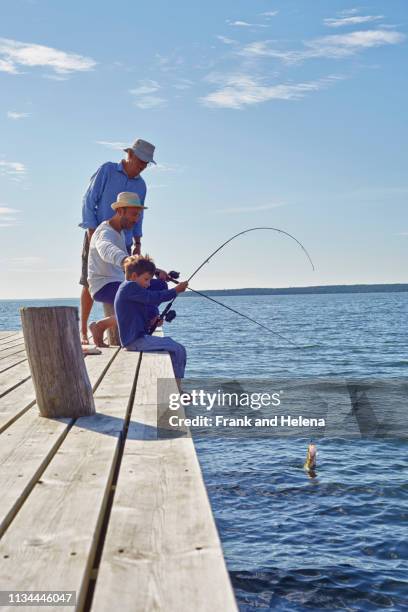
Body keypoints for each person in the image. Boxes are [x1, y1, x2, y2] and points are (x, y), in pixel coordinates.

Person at [79, 138, 156, 344]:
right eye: (141, 161)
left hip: (126, 238)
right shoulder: (107, 170)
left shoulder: (141, 185)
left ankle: (116, 331)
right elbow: (89, 200)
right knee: (88, 281)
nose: (143, 166)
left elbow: (139, 215)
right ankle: (84, 332)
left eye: (146, 164)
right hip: (98, 233)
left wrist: (138, 242)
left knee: (128, 285)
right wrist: (92, 230)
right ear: (129, 155)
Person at [114, 256, 188, 384]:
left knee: (173, 346)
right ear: (134, 276)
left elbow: (136, 316)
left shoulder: (128, 289)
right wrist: (175, 291)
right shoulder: (130, 287)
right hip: (134, 341)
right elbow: (152, 297)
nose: (148, 284)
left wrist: (150, 322)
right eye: (146, 279)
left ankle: (176, 387)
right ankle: (178, 391)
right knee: (178, 349)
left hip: (136, 339)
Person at [87, 191, 147, 347]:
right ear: (120, 211)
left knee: (159, 286)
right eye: (134, 214)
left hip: (118, 282)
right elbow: (106, 249)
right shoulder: (104, 232)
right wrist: (124, 259)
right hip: (104, 285)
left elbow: (130, 262)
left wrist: (157, 271)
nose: (136, 219)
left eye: (138, 215)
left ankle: (145, 326)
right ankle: (100, 326)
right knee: (139, 298)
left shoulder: (118, 233)